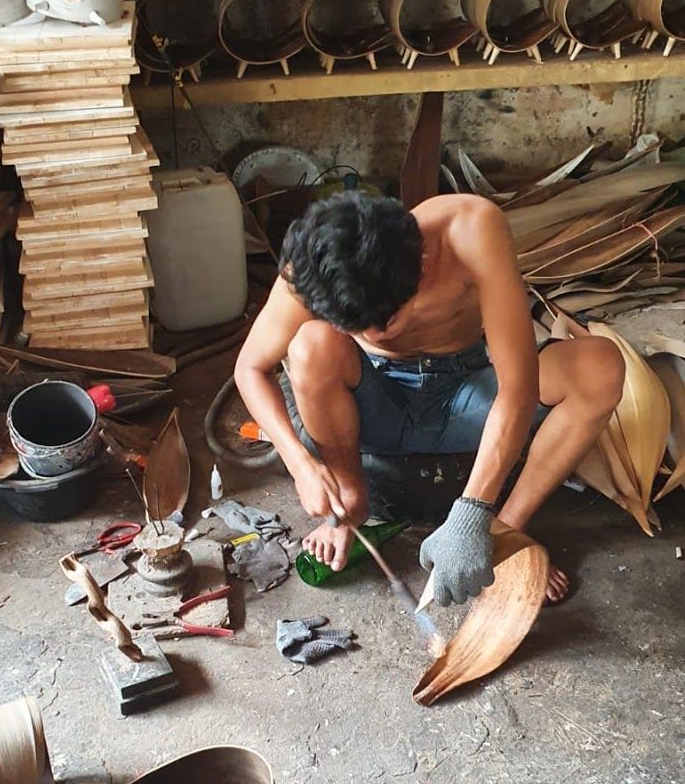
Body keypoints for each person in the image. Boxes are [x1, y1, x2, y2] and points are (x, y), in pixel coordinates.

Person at [233, 191, 626, 606]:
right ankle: (350, 506)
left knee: (599, 366)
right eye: (356, 327)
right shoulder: (316, 266)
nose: (373, 335)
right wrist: (301, 466)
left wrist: (472, 513)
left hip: (465, 392)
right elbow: (250, 368)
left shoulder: (470, 228)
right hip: (374, 400)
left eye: (387, 322)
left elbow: (518, 389)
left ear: (420, 265)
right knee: (311, 344)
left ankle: (504, 533)